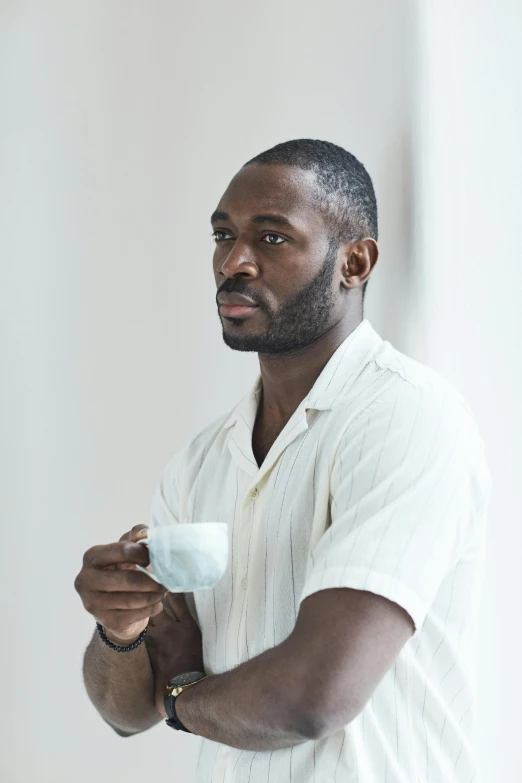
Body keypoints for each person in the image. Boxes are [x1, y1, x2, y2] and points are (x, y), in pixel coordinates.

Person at [75, 139, 492, 782]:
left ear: (355, 261)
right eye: (223, 235)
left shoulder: (407, 418)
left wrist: (181, 696)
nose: (232, 262)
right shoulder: (199, 464)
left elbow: (313, 697)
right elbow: (127, 711)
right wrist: (119, 630)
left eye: (271, 239)